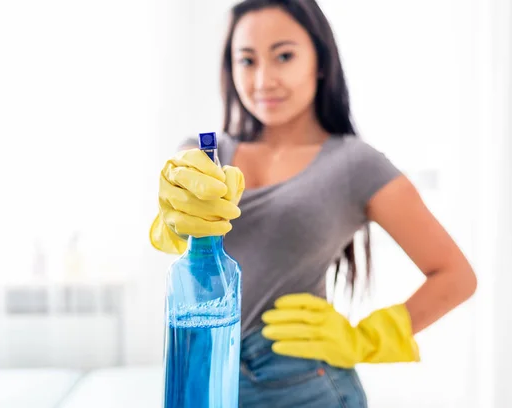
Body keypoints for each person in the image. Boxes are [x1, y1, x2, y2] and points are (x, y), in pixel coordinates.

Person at [150, 0, 477, 406]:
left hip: (304, 382)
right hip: (203, 373)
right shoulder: (204, 158)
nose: (264, 79)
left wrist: (362, 340)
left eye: (284, 56)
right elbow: (175, 230)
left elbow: (455, 276)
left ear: (320, 62)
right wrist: (175, 205)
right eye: (247, 60)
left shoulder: (354, 164)